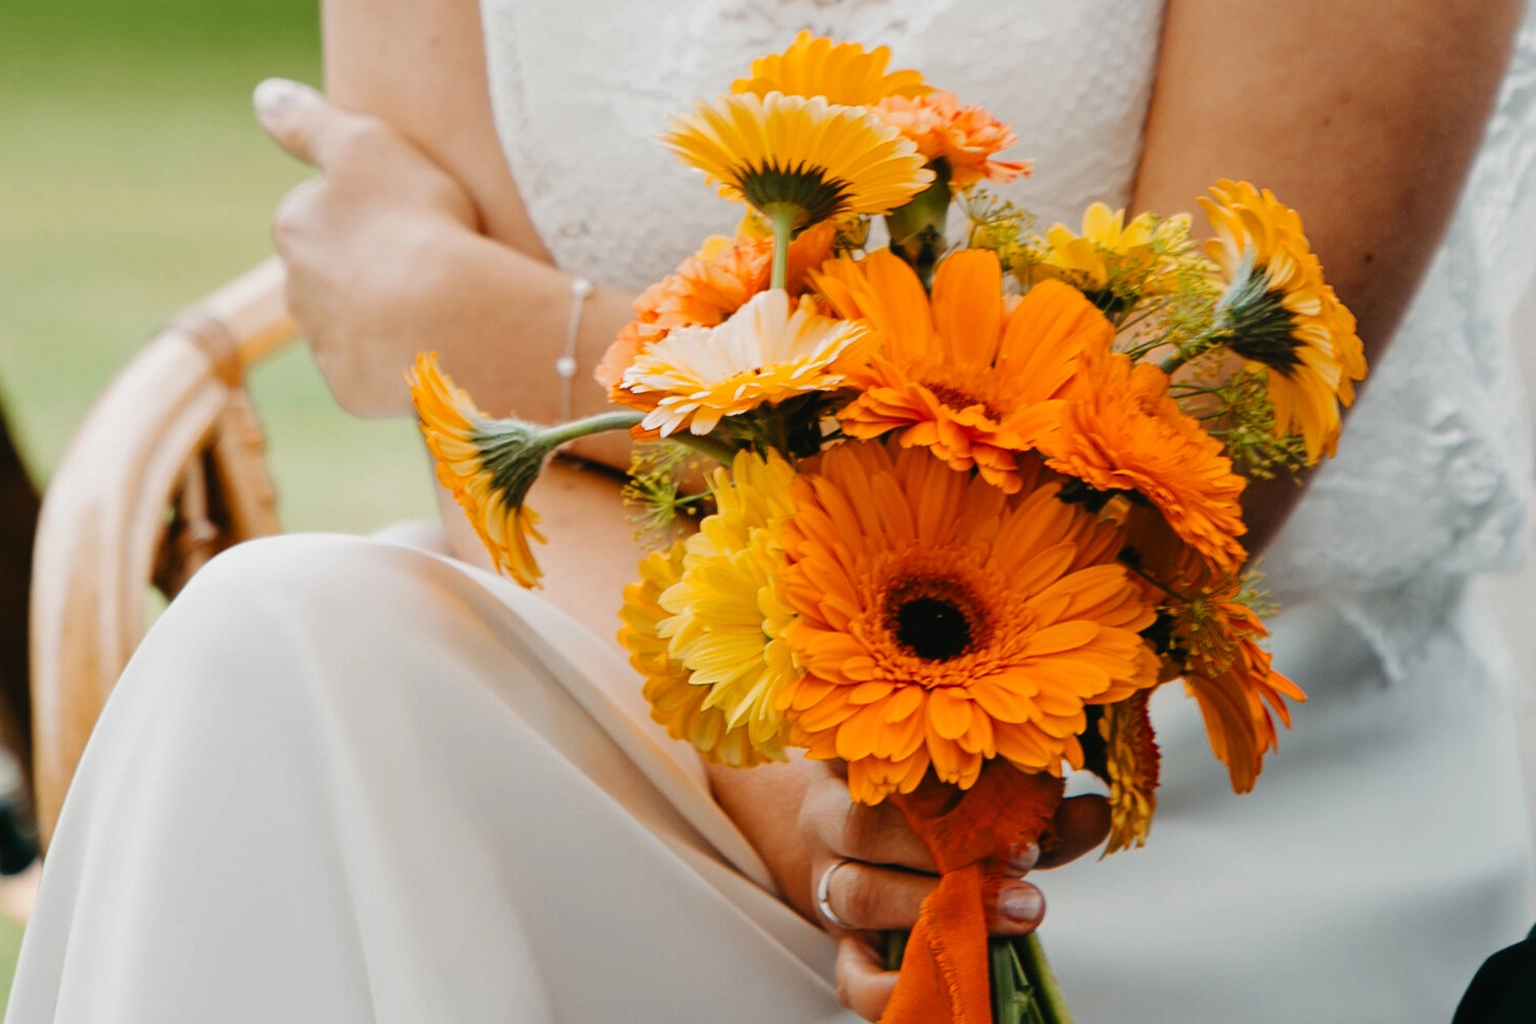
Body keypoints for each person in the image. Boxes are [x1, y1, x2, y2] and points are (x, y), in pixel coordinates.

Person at [9, 1, 1536, 1021]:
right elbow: (498, 466)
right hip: (635, 661)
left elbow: (1190, 448)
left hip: (1154, 770)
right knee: (277, 650)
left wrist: (483, 315)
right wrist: (780, 790)